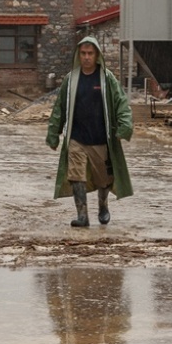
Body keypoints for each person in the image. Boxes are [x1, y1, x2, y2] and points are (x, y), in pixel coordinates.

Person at [46, 36, 133, 227]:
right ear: (79, 55)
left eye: (90, 53)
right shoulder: (71, 80)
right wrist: (53, 135)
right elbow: (59, 109)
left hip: (100, 139)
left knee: (103, 179)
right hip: (76, 138)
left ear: (97, 55)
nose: (86, 57)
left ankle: (103, 205)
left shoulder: (107, 79)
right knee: (76, 176)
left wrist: (124, 127)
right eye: (83, 53)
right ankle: (82, 216)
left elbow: (121, 104)